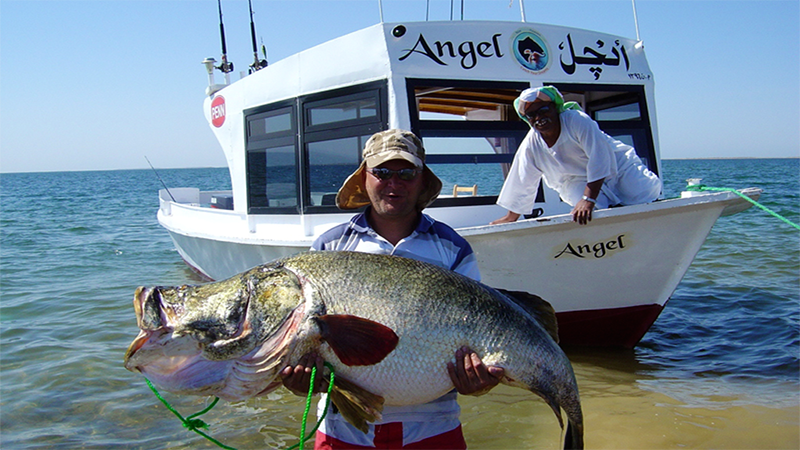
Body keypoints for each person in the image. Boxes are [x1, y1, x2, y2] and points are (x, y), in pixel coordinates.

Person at [280, 129, 504, 450]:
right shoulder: (329, 247)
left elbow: (480, 338)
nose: (394, 183)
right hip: (343, 432)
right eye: (382, 172)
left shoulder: (453, 249)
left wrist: (480, 382)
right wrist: (303, 381)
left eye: (406, 173)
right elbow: (307, 343)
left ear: (422, 179)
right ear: (364, 178)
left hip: (433, 432)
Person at [491, 86, 662, 225]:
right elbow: (522, 180)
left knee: (641, 192)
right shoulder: (531, 144)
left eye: (543, 110)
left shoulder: (576, 120)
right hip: (575, 181)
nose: (539, 117)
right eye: (532, 115)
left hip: (619, 166)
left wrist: (588, 198)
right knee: (593, 213)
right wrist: (511, 218)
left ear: (555, 108)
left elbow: (600, 157)